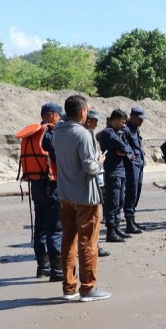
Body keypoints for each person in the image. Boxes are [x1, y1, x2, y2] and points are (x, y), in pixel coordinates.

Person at [52, 94, 110, 302]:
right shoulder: (83, 134)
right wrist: (100, 162)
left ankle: (69, 287)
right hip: (86, 197)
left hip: (65, 195)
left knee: (68, 240)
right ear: (83, 112)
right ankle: (88, 288)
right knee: (88, 243)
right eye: (86, 109)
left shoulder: (58, 130)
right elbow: (89, 166)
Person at [27, 102, 64, 282]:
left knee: (40, 227)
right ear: (51, 115)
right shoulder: (50, 134)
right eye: (58, 115)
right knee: (55, 228)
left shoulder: (32, 134)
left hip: (35, 185)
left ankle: (42, 266)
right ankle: (57, 270)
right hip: (51, 186)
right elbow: (58, 159)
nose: (59, 119)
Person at [98, 109, 133, 243]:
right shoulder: (108, 133)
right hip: (112, 172)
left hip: (120, 171)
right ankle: (111, 231)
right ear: (115, 120)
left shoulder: (118, 133)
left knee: (119, 201)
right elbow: (123, 147)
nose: (124, 126)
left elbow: (128, 148)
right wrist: (124, 150)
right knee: (113, 202)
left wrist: (125, 151)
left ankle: (116, 227)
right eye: (123, 123)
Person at [84, 109, 110, 258]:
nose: (97, 124)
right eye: (95, 121)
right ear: (89, 120)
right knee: (92, 217)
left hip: (96, 178)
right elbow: (89, 163)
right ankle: (92, 247)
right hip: (91, 179)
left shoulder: (90, 134)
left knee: (94, 215)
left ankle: (93, 245)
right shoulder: (85, 135)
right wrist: (99, 163)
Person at [122, 106, 146, 233]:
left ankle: (133, 220)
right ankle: (129, 223)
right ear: (133, 117)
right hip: (131, 165)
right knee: (131, 192)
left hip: (139, 164)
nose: (142, 121)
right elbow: (122, 144)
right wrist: (130, 155)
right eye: (140, 119)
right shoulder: (126, 129)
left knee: (137, 192)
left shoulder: (136, 129)